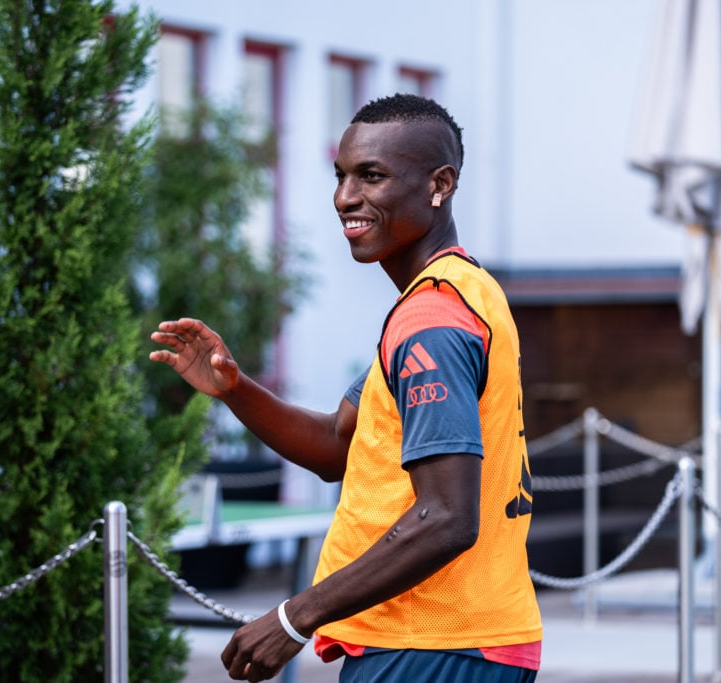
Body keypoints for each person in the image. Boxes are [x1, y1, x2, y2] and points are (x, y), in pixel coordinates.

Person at [150, 93, 541, 682]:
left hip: (433, 646)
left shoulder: (432, 319)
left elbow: (448, 517)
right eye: (341, 176)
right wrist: (234, 388)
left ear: (440, 184)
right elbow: (340, 446)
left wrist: (292, 619)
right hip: (448, 643)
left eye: (372, 176)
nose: (345, 197)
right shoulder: (459, 291)